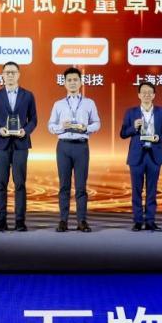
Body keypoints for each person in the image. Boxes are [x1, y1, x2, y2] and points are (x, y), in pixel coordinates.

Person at [0, 61, 37, 232]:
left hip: (21, 144)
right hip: (1, 144)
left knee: (20, 183)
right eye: (7, 72)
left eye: (13, 72)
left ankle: (20, 221)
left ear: (19, 74)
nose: (10, 75)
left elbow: (34, 120)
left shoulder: (28, 95)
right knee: (1, 183)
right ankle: (1, 221)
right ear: (2, 75)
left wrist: (25, 131)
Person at [47, 67, 101, 232]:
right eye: (69, 80)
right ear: (64, 83)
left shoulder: (89, 103)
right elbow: (50, 126)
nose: (72, 83)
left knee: (81, 186)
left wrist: (86, 128)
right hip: (63, 146)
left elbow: (97, 123)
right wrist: (61, 127)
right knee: (64, 186)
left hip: (81, 146)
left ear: (80, 82)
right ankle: (63, 221)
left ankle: (81, 221)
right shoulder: (58, 104)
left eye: (75, 80)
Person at [119, 81, 162, 231]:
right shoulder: (131, 112)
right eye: (144, 92)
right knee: (136, 190)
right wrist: (133, 127)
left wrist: (159, 138)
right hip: (137, 155)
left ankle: (150, 220)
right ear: (139, 95)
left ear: (154, 95)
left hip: (154, 155)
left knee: (152, 190)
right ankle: (137, 221)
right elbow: (123, 134)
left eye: (150, 92)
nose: (147, 95)